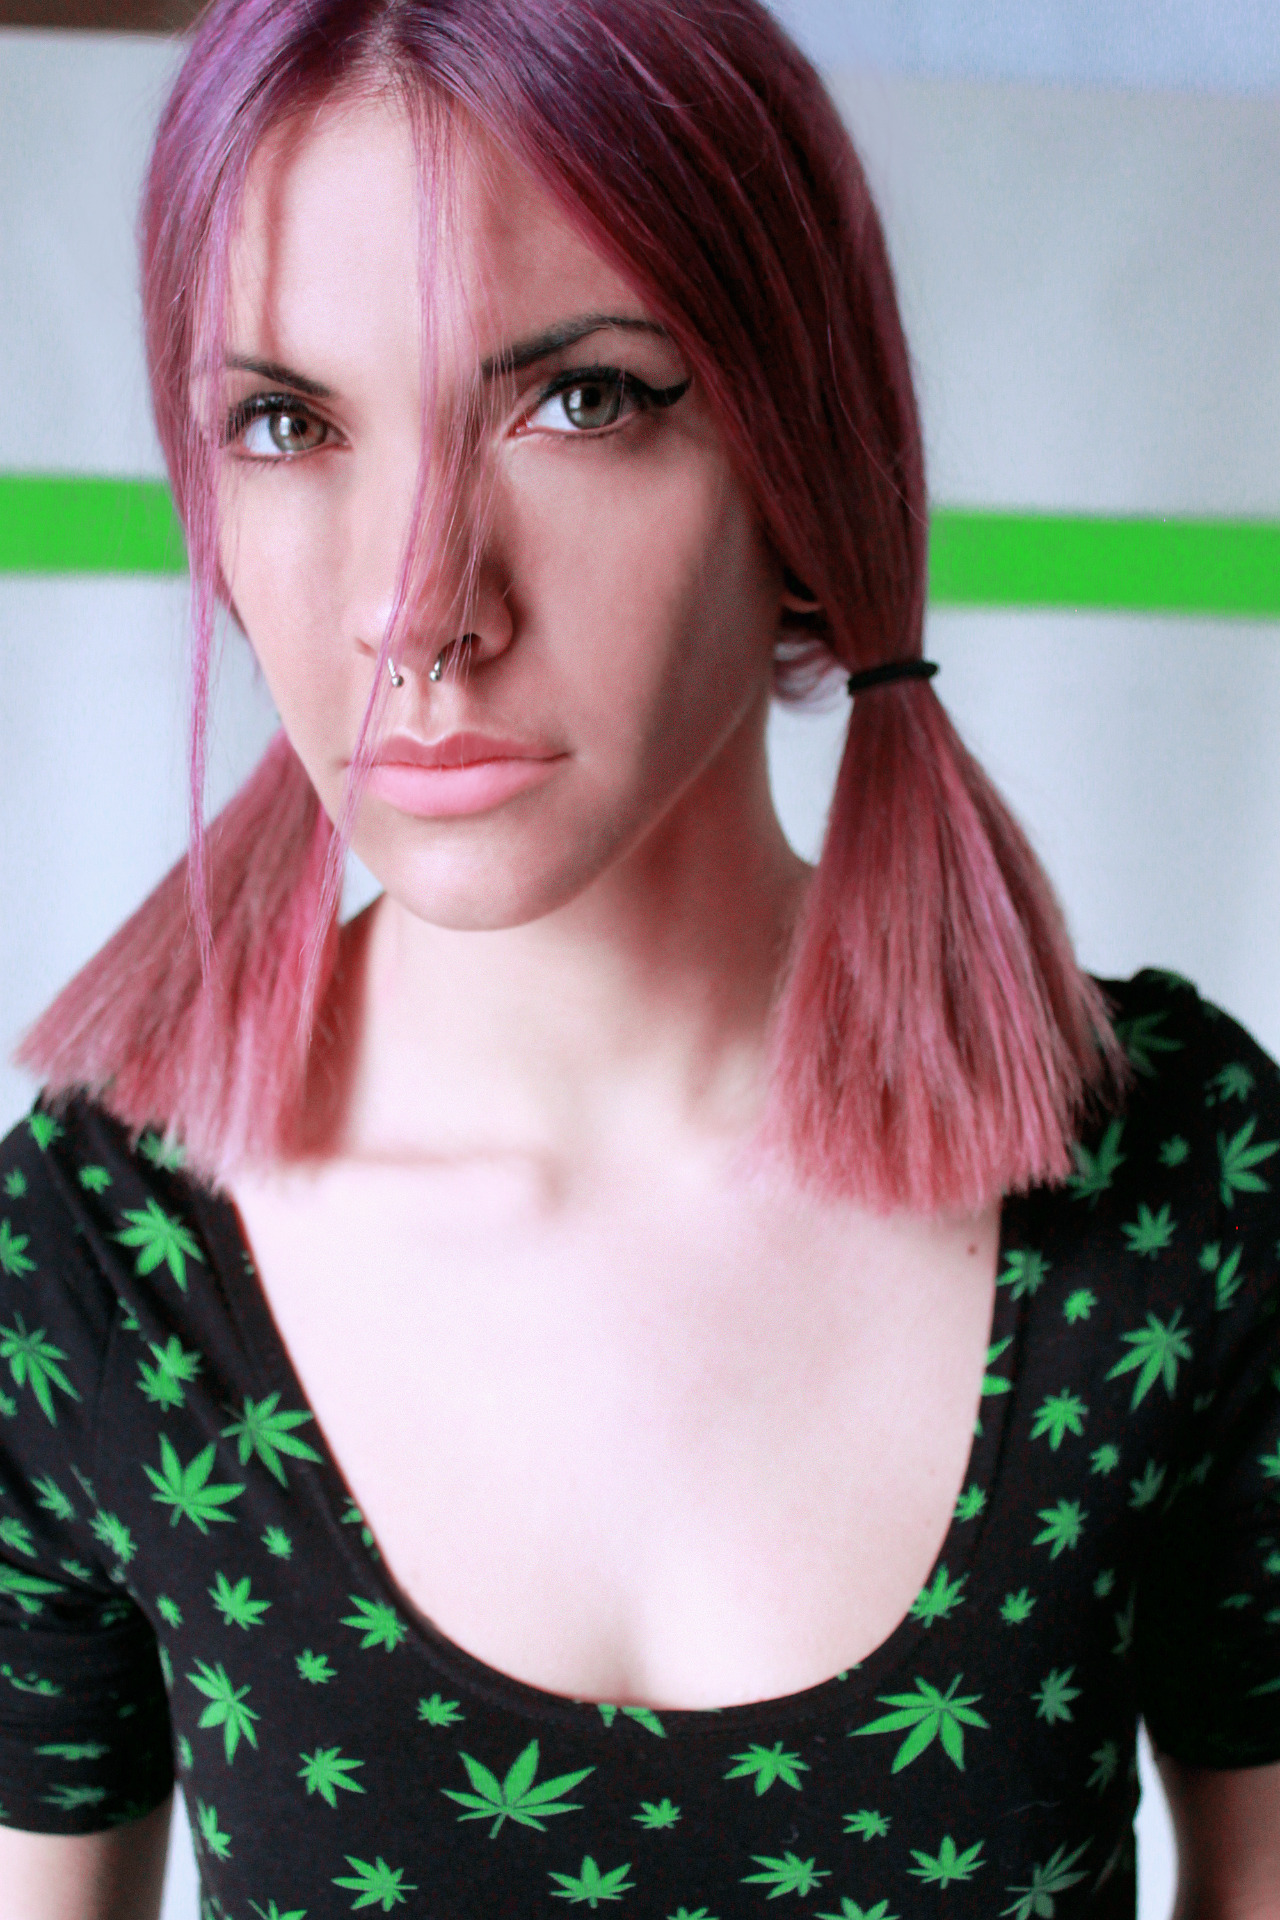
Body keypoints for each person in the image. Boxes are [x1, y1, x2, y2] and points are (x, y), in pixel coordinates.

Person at [2, 1, 1278, 1915]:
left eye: (581, 401)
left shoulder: (1176, 1179)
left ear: (803, 457)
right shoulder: (101, 1267)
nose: (418, 606)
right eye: (287, 424)